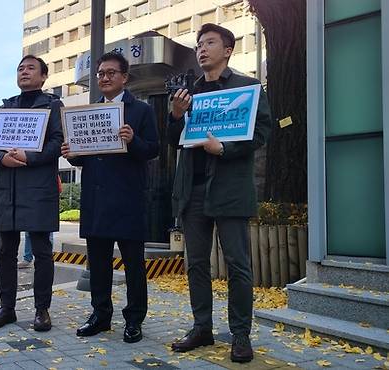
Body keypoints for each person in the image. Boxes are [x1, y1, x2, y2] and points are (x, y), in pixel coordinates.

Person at [167, 23, 272, 363]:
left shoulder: (248, 87)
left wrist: (224, 148)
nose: (202, 48)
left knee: (238, 265)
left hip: (229, 189)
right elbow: (174, 140)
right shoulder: (188, 92)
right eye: (199, 44)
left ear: (227, 50)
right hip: (192, 190)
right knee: (196, 264)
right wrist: (175, 115)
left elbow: (261, 131)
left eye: (210, 42)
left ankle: (240, 335)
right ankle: (202, 328)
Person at [61, 52, 159, 343]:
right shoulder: (90, 112)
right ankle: (100, 315)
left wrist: (134, 140)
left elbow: (153, 149)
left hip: (128, 199)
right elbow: (86, 158)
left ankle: (134, 319)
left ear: (124, 77)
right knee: (99, 264)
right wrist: (73, 155)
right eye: (100, 73)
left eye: (110, 73)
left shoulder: (141, 111)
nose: (103, 78)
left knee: (134, 266)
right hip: (96, 199)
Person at [0, 54, 63, 332]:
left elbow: (58, 142)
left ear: (43, 76)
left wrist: (29, 156)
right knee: (5, 252)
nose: (24, 72)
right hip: (8, 189)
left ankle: (42, 310)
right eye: (20, 68)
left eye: (30, 68)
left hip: (38, 189)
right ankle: (7, 308)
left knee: (42, 251)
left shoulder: (53, 106)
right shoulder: (6, 108)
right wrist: (0, 159)